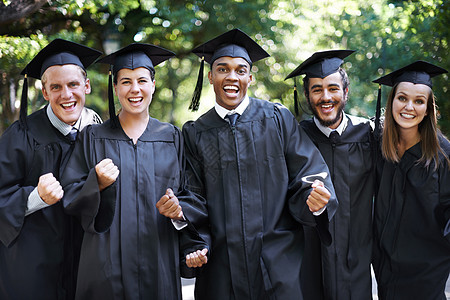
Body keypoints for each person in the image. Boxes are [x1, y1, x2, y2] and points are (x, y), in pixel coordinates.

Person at [183, 28, 338, 300]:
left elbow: (308, 172)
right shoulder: (195, 132)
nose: (232, 77)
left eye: (240, 70)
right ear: (210, 76)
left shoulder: (277, 118)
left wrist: (313, 197)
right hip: (222, 266)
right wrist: (194, 240)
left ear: (250, 78)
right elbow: (194, 197)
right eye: (222, 69)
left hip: (277, 261)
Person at [60, 43, 208, 300]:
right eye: (126, 81)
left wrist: (178, 209)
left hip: (158, 261)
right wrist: (97, 183)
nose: (135, 89)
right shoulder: (93, 137)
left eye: (142, 80)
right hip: (105, 267)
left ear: (153, 84)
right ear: (115, 87)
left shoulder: (171, 137)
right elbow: (70, 193)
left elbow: (191, 194)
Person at [0, 39, 102, 300]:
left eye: (73, 85)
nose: (66, 95)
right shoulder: (21, 135)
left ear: (86, 86)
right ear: (45, 92)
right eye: (55, 87)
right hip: (32, 268)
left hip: (86, 264)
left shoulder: (100, 132)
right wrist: (35, 198)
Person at [285, 50, 376, 300]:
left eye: (333, 88)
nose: (326, 97)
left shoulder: (370, 135)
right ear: (307, 95)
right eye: (317, 89)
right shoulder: (294, 139)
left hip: (356, 261)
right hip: (308, 262)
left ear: (345, 92)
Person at [372, 60, 450, 300]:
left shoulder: (443, 155)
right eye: (402, 98)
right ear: (391, 101)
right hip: (385, 273)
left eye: (419, 101)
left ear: (428, 109)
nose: (409, 107)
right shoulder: (379, 147)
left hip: (425, 278)